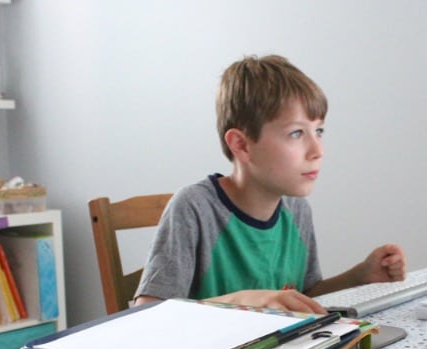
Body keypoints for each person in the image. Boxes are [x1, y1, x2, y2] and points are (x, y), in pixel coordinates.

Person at [134, 54, 406, 313]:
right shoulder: (194, 208)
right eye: (297, 133)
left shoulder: (297, 209)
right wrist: (245, 301)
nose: (317, 150)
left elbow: (302, 297)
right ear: (241, 145)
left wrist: (359, 276)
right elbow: (148, 313)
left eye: (319, 131)